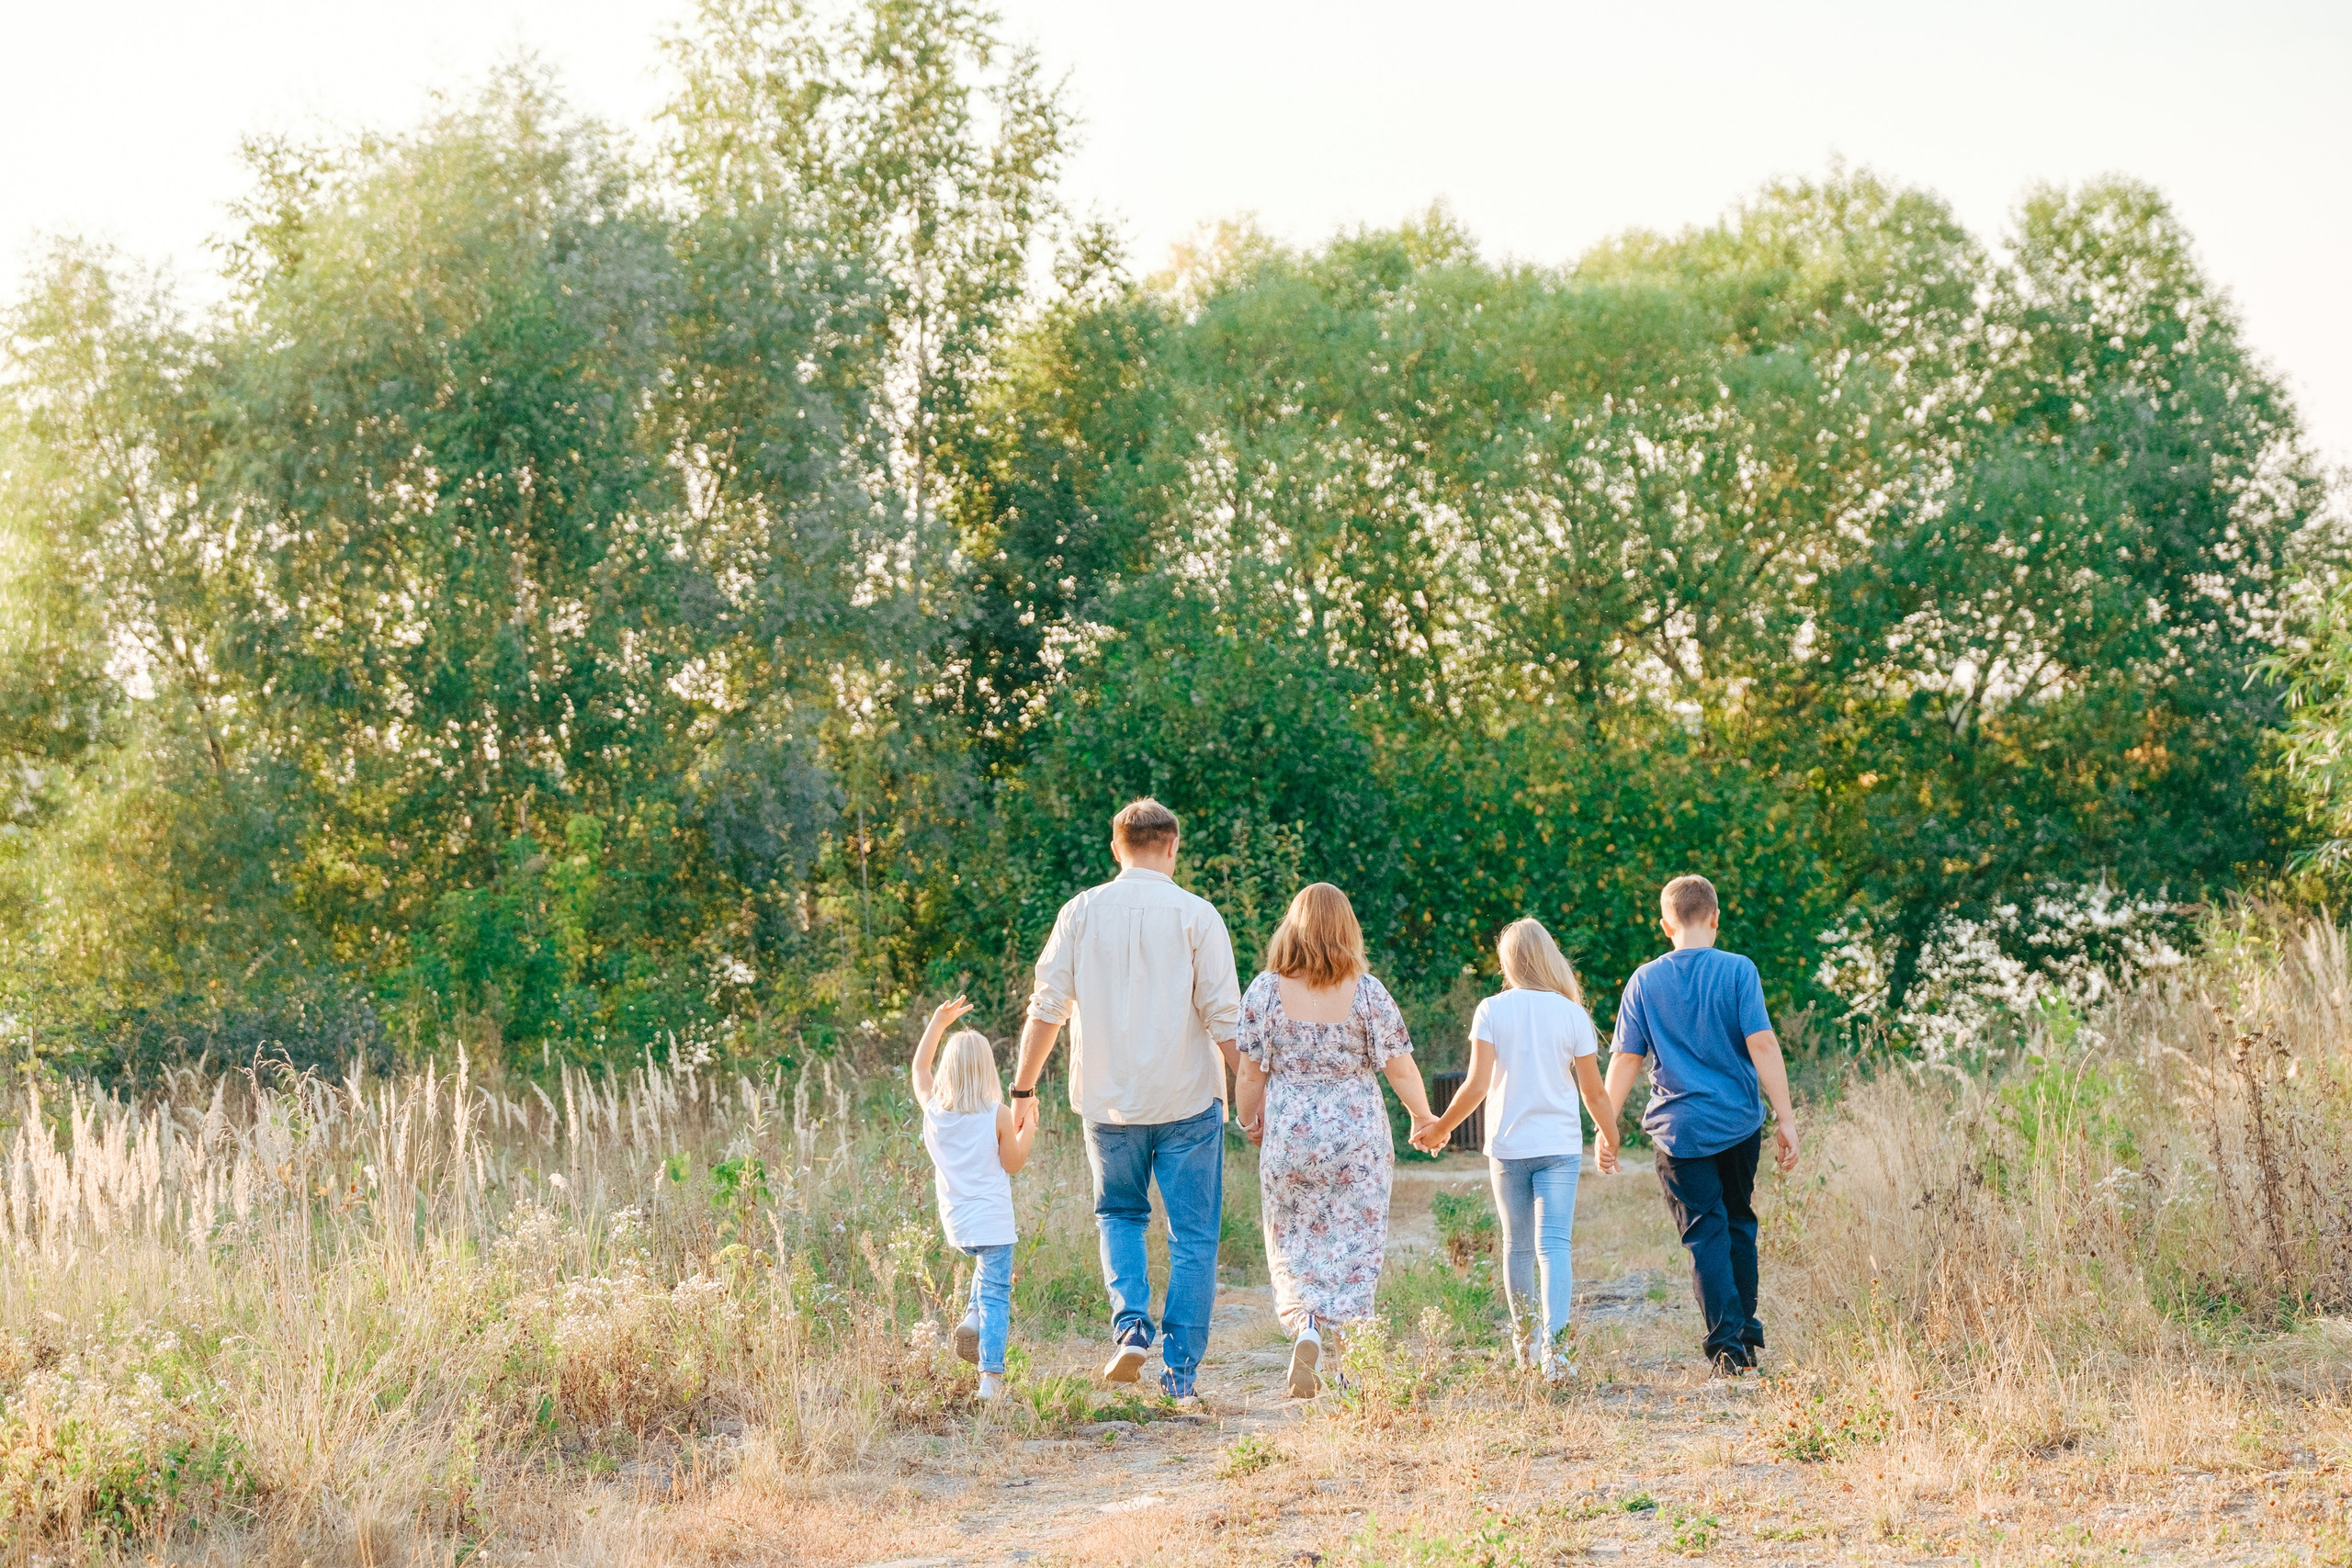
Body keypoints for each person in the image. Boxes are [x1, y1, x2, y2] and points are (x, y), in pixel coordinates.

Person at [1010, 798, 1242, 1399]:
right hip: (1188, 1100)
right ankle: (1180, 1377)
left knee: (1119, 1215)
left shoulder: (1081, 911)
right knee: (1193, 1237)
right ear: (1172, 846)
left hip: (1109, 1102)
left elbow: (1046, 1008)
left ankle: (1132, 1326)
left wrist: (1023, 1087)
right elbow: (1225, 1019)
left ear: (1117, 847)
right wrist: (1253, 1093)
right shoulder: (1198, 915)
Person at [1235, 883, 1440, 1400]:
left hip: (1291, 1134)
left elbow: (1249, 1076)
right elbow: (1401, 1068)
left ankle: (1305, 1325)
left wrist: (1248, 1121)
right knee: (1356, 1246)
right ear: (1347, 929)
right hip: (1357, 1137)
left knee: (1291, 1240)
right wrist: (1424, 1116)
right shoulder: (1368, 992)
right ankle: (1353, 1369)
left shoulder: (1263, 991)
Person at [1603, 875, 1800, 1376]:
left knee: (1704, 1234)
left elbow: (1627, 1059)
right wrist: (1786, 1118)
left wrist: (1607, 1127)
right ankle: (1743, 1336)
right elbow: (1763, 1046)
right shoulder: (1739, 972)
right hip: (1738, 1123)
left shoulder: (1644, 980)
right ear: (1715, 917)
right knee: (1738, 1222)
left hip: (1679, 1131)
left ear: (1665, 924)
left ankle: (1729, 1347)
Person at [1412, 918, 1620, 1381]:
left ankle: (1525, 1348)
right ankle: (1557, 1356)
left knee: (1518, 1249)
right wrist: (1610, 1134)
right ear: (1549, 957)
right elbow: (1594, 1093)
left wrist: (1441, 1127)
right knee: (1555, 1248)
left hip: (1508, 1147)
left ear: (1507, 961)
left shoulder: (1491, 1009)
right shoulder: (1572, 1014)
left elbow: (1476, 1086)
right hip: (1560, 1147)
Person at [910, 995, 1035, 1402]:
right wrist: (1028, 1124)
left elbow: (918, 1068)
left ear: (948, 1068)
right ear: (987, 1069)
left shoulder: (934, 1112)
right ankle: (990, 1380)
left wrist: (938, 1022)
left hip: (958, 1225)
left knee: (985, 1273)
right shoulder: (996, 1113)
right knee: (997, 1292)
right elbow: (1013, 1164)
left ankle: (970, 1316)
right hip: (994, 1222)